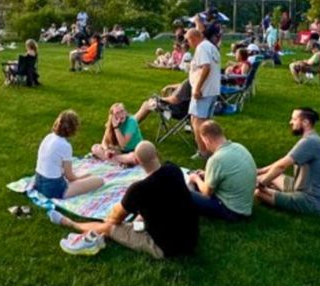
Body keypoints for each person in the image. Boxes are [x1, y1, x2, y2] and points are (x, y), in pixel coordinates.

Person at [52, 141, 198, 259]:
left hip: (167, 247)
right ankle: (101, 234)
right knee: (141, 215)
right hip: (190, 237)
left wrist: (114, 219)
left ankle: (70, 223)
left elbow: (115, 219)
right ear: (156, 154)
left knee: (109, 228)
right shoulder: (173, 169)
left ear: (137, 161)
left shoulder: (139, 189)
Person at [255, 108, 320, 216]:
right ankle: (272, 189)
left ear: (305, 122)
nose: (290, 122)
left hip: (316, 202)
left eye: (294, 119)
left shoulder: (310, 142)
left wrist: (261, 184)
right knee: (263, 177)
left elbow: (281, 166)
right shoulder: (310, 139)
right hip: (302, 187)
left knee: (258, 193)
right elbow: (282, 161)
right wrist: (260, 171)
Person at [186, 121, 256, 221]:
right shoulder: (239, 147)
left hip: (232, 211)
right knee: (199, 181)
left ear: (207, 140)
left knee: (183, 193)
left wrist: (196, 178)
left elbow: (206, 193)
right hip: (245, 206)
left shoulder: (216, 160)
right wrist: (206, 174)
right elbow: (229, 172)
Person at [33, 110, 104, 200]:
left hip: (38, 181)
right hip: (53, 189)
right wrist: (81, 178)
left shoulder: (49, 137)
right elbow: (70, 177)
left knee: (87, 175)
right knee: (98, 181)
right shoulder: (65, 146)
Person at [185, 28, 221, 159]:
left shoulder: (202, 48)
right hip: (211, 90)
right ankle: (210, 149)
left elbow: (206, 67)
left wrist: (197, 88)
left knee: (197, 122)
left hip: (203, 92)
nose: (188, 44)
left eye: (188, 40)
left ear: (193, 38)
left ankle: (203, 152)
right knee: (206, 122)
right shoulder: (211, 46)